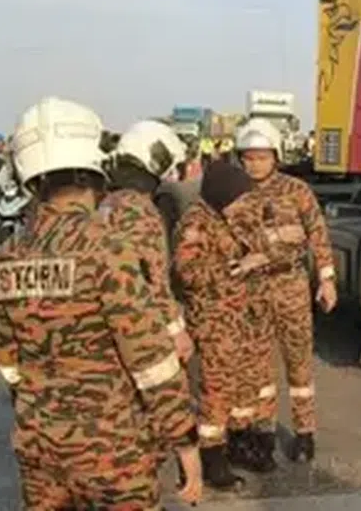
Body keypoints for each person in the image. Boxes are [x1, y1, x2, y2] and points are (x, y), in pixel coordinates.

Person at [0, 96, 202, 509]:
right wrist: (185, 442)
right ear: (94, 171)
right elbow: (151, 361)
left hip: (40, 450)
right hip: (113, 454)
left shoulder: (4, 261)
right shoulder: (109, 251)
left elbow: (10, 365)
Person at [235, 117, 338, 463]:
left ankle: (305, 433)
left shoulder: (297, 191)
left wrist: (326, 279)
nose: (255, 164)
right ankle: (264, 431)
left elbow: (317, 234)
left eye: (262, 157)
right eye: (248, 158)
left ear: (275, 157)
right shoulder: (235, 195)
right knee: (258, 365)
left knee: (299, 363)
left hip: (291, 285)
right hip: (253, 289)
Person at [172, 159, 273, 490]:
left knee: (242, 387)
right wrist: (235, 266)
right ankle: (212, 458)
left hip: (239, 319)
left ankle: (238, 445)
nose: (242, 205)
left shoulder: (226, 217)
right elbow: (187, 273)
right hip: (213, 321)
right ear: (222, 195)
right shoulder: (195, 223)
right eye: (238, 199)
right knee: (215, 391)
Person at [101, 119, 194, 363]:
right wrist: (176, 330)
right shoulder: (139, 209)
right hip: (137, 325)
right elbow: (153, 279)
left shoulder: (105, 202)